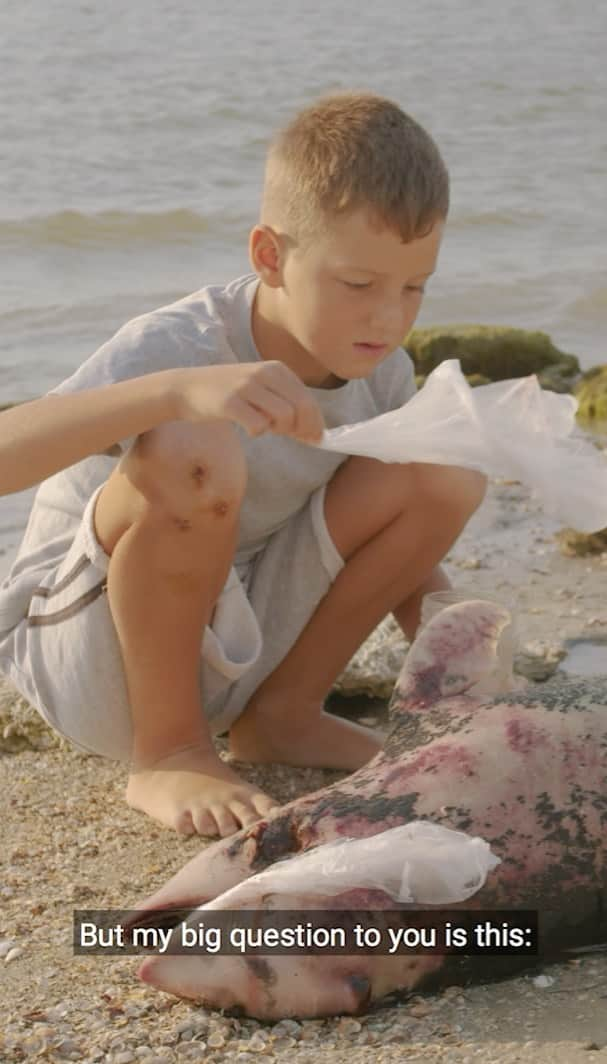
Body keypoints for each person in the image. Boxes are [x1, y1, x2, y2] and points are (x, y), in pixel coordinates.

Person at [0, 92, 486, 840]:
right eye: (357, 285)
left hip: (246, 638)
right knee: (194, 441)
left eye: (413, 287)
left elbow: (399, 527)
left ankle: (283, 716)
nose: (387, 319)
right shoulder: (180, 345)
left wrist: (460, 662)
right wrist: (173, 393)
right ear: (270, 257)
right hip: (95, 662)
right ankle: (168, 753)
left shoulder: (378, 368)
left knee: (444, 466)